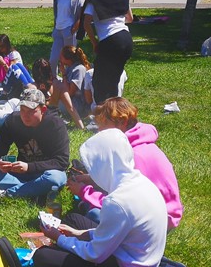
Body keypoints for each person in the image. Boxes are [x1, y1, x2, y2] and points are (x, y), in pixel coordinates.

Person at [33, 128, 167, 267]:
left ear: (103, 166)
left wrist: (60, 238)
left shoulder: (117, 202)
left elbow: (95, 254)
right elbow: (116, 231)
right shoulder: (142, 182)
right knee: (73, 220)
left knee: (42, 256)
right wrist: (78, 233)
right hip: (138, 257)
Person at [68, 97, 182, 230]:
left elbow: (123, 203)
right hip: (157, 211)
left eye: (104, 125)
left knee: (96, 214)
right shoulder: (140, 145)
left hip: (159, 219)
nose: (100, 131)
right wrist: (91, 179)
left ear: (122, 122)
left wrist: (84, 192)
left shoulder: (133, 156)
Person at [0, 88, 69, 199]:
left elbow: (62, 161)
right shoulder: (13, 120)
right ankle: (31, 189)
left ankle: (7, 193)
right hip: (19, 172)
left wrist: (29, 167)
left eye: (31, 111)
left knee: (55, 179)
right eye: (22, 110)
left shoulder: (55, 124)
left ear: (43, 109)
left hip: (44, 172)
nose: (25, 115)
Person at [83, 0, 133, 105]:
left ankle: (105, 114)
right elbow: (129, 18)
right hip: (126, 39)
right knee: (113, 81)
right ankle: (117, 111)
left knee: (99, 84)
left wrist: (94, 42)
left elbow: (86, 22)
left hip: (109, 40)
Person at [0, 58, 49, 129]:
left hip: (24, 117)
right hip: (24, 109)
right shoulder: (53, 85)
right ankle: (0, 112)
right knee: (14, 101)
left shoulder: (52, 89)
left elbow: (47, 105)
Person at [50, 0, 84, 77]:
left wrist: (73, 29)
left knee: (70, 60)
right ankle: (54, 80)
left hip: (68, 30)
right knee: (53, 59)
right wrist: (55, 26)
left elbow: (81, 15)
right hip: (58, 30)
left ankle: (70, 80)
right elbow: (57, 13)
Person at [52, 45, 93, 129]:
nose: (59, 58)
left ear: (68, 59)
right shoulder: (70, 67)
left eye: (61, 56)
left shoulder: (79, 69)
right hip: (72, 101)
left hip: (78, 106)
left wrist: (63, 74)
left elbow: (70, 92)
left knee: (51, 98)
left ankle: (53, 115)